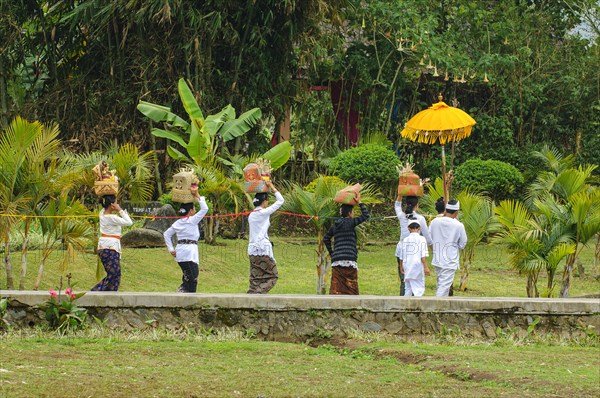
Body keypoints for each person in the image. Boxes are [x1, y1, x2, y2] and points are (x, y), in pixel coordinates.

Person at [164, 186, 209, 293]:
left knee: (189, 275)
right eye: (194, 209)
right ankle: (187, 296)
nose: (195, 210)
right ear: (190, 211)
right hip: (189, 251)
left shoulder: (178, 223)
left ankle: (183, 291)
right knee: (192, 277)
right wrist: (197, 195)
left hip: (182, 251)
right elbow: (205, 209)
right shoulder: (192, 220)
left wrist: (171, 249)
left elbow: (166, 234)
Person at [323, 199, 370, 295]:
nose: (353, 214)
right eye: (352, 212)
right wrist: (360, 202)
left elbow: (326, 238)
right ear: (349, 213)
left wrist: (332, 253)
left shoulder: (335, 225)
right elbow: (365, 215)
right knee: (351, 285)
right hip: (350, 258)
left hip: (337, 259)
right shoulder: (351, 222)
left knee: (337, 285)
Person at [247, 180, 284, 294]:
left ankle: (252, 296)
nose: (268, 203)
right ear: (264, 202)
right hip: (263, 248)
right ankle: (258, 293)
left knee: (255, 277)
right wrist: (271, 186)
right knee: (273, 275)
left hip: (252, 249)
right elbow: (280, 201)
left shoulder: (251, 215)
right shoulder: (263, 213)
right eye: (267, 201)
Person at [92, 195, 133, 291]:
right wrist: (120, 210)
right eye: (116, 202)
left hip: (106, 247)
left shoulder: (102, 214)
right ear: (111, 205)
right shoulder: (111, 217)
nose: (117, 204)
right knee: (114, 275)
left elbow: (104, 208)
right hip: (110, 248)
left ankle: (105, 294)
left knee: (114, 275)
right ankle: (95, 292)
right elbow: (129, 222)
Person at [429, 199, 467, 297]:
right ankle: (435, 308)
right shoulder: (459, 225)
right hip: (450, 260)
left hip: (437, 258)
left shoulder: (434, 222)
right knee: (443, 287)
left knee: (440, 284)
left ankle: (441, 308)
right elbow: (463, 243)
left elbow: (429, 238)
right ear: (456, 212)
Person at [394, 195, 432, 295]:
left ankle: (404, 301)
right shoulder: (420, 218)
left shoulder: (402, 216)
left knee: (404, 278)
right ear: (417, 205)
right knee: (417, 277)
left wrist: (400, 194)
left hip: (402, 250)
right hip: (416, 252)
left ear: (406, 204)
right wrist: (432, 246)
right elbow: (427, 237)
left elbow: (397, 206)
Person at [400, 221, 430, 296]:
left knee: (408, 287)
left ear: (408, 228)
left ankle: (406, 304)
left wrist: (401, 266)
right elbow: (423, 256)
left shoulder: (405, 239)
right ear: (419, 228)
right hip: (417, 265)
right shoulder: (422, 239)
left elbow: (402, 255)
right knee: (419, 287)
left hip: (407, 265)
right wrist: (426, 267)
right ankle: (417, 305)